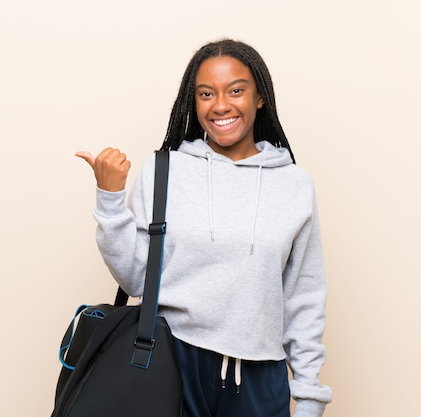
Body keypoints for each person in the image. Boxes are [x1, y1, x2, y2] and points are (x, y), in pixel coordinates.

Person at [76, 39, 332, 417]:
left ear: (259, 97)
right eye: (206, 94)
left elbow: (304, 298)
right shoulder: (165, 171)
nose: (221, 105)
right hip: (171, 366)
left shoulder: (294, 185)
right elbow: (134, 280)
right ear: (193, 103)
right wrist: (110, 200)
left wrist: (309, 397)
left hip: (260, 380)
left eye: (236, 90)